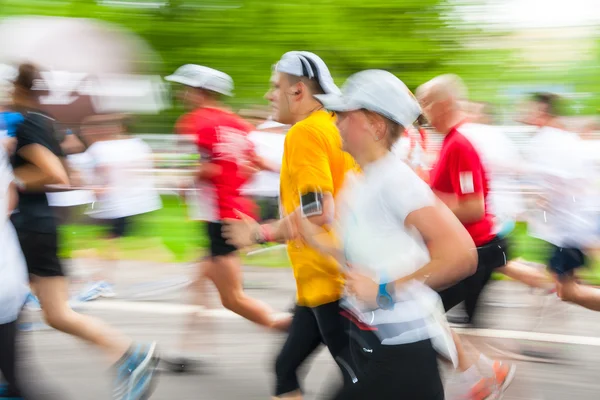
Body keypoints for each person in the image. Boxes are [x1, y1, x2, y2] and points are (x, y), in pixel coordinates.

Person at [297, 69, 478, 399]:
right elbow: (358, 257)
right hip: (370, 341)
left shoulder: (396, 181)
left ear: (375, 125)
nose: (335, 121)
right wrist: (305, 235)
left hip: (402, 352)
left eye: (343, 114)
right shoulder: (358, 179)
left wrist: (383, 290)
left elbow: (461, 255)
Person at [9, 63, 158, 400]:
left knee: (30, 310)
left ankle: (12, 381)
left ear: (17, 88)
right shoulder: (43, 122)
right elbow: (70, 173)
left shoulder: (26, 122)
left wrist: (12, 181)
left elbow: (57, 174)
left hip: (27, 228)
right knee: (54, 313)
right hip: (37, 226)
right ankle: (127, 353)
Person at [223, 51, 359, 400]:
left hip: (332, 281)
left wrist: (259, 232)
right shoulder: (333, 125)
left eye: (275, 87)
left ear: (297, 91)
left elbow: (316, 211)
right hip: (325, 279)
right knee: (285, 368)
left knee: (360, 382)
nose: (269, 95)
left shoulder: (305, 133)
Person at [163, 64, 285, 369]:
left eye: (186, 88)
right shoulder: (240, 125)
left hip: (219, 218)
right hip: (237, 212)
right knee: (199, 282)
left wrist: (183, 180)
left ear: (199, 91)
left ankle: (295, 328)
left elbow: (205, 168)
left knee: (232, 298)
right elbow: (256, 163)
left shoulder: (193, 123)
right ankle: (190, 351)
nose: (182, 93)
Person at [76, 114, 162, 301]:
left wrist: (98, 187)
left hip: (113, 204)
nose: (86, 134)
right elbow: (148, 166)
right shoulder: (138, 145)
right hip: (136, 202)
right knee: (111, 241)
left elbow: (95, 172)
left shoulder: (99, 148)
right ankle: (102, 280)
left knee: (94, 242)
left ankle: (101, 281)